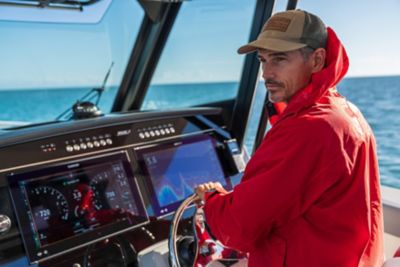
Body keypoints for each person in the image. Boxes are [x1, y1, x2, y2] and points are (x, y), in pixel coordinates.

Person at [195, 9, 384, 267]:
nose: (266, 73)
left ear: (317, 60)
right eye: (263, 60)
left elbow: (238, 227)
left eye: (279, 59)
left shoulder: (309, 129)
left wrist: (212, 200)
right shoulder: (345, 112)